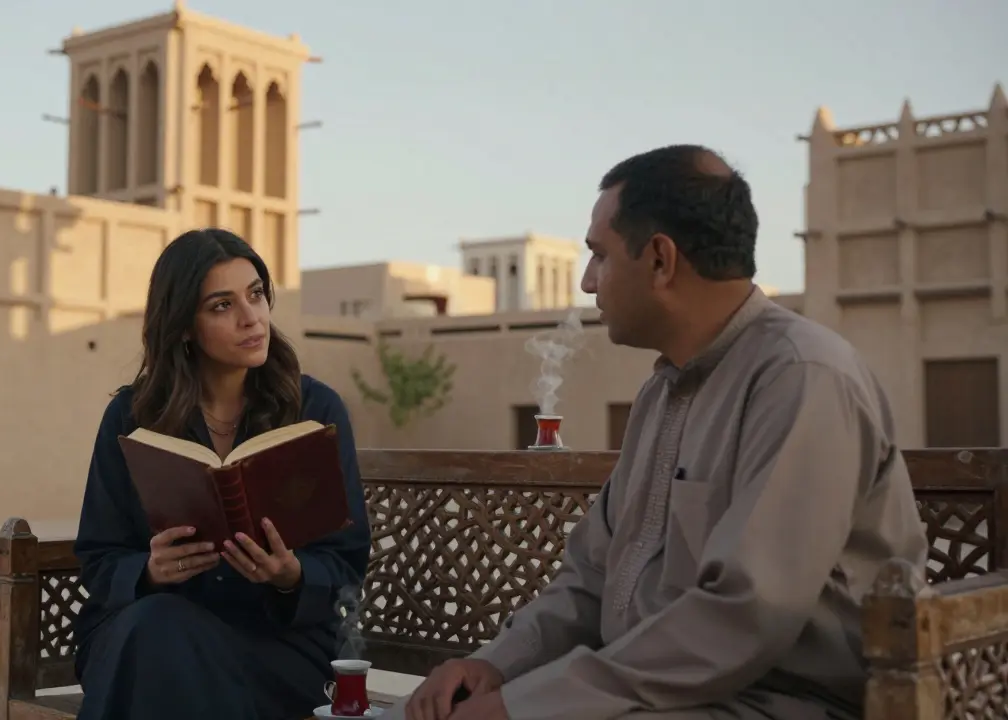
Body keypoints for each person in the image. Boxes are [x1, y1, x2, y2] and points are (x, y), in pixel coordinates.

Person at [392, 145, 929, 720]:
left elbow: (744, 618)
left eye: (599, 256)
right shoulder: (662, 392)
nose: (588, 282)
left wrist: (523, 707)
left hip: (783, 702)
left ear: (660, 260)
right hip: (658, 693)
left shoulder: (801, 378)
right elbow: (591, 578)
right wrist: (496, 665)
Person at [71, 228, 371, 720]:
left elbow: (347, 559)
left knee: (161, 655)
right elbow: (99, 554)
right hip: (147, 626)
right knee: (161, 633)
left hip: (276, 643)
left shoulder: (315, 409)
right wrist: (149, 571)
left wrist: (291, 575)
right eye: (221, 306)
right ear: (184, 326)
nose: (251, 317)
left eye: (256, 295)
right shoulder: (132, 416)